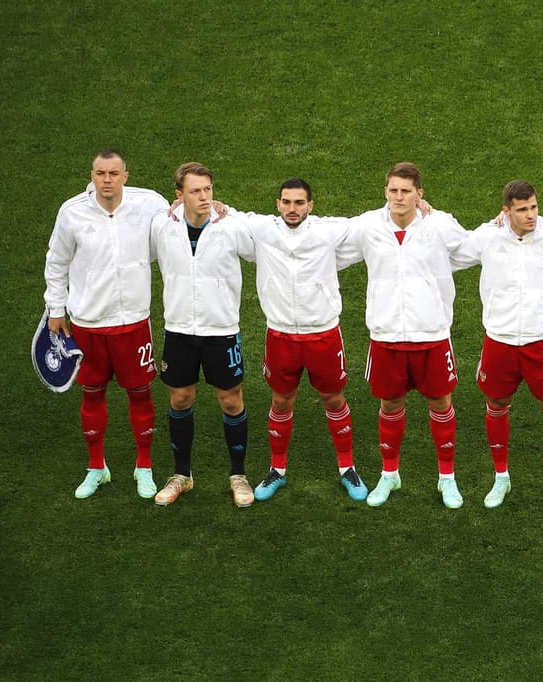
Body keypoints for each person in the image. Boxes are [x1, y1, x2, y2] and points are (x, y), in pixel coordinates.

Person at [451, 180, 543, 511]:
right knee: (496, 404)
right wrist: (425, 215)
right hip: (500, 339)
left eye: (534, 207)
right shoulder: (488, 237)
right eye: (522, 209)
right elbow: (450, 253)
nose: (531, 215)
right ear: (506, 211)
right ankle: (501, 477)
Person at [229, 179, 365, 502]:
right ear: (277, 204)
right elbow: (226, 214)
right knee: (281, 401)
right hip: (280, 335)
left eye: (299, 203)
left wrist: (419, 209)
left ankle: (347, 468)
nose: (293, 209)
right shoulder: (262, 230)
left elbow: (371, 225)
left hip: (324, 334)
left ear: (311, 206)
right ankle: (277, 469)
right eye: (287, 202)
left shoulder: (328, 231)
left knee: (334, 399)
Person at [344, 162, 471, 509]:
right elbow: (327, 240)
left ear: (420, 194)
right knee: (389, 404)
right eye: (393, 190)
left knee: (441, 403)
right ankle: (389, 474)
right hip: (386, 335)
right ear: (385, 191)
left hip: (431, 334)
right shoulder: (368, 226)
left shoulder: (440, 224)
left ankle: (447, 478)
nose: (399, 197)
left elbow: (474, 248)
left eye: (406, 191)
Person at [44, 150, 165, 499]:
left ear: (126, 175)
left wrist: (216, 209)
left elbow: (180, 220)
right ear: (92, 175)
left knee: (140, 394)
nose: (107, 179)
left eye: (114, 173)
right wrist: (56, 309)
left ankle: (144, 468)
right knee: (92, 394)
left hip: (133, 323)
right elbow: (57, 262)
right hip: (87, 324)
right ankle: (96, 468)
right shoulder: (72, 212)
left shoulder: (149, 204)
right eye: (100, 173)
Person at [148, 162, 256, 507]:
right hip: (179, 329)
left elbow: (263, 245)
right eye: (195, 191)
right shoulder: (162, 227)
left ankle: (238, 476)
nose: (204, 196)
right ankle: (182, 475)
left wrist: (232, 211)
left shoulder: (231, 226)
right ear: (179, 195)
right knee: (180, 399)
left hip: (221, 330)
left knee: (231, 399)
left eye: (208, 189)